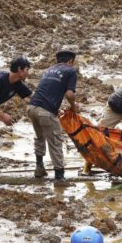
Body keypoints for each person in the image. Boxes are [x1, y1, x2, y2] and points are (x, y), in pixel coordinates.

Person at [27, 49, 78, 182]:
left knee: (39, 137)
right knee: (55, 142)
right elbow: (69, 94)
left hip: (32, 107)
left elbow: (46, 92)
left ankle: (39, 168)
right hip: (45, 112)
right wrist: (74, 107)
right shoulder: (70, 70)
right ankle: (60, 178)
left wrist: (57, 109)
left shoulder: (49, 70)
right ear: (71, 61)